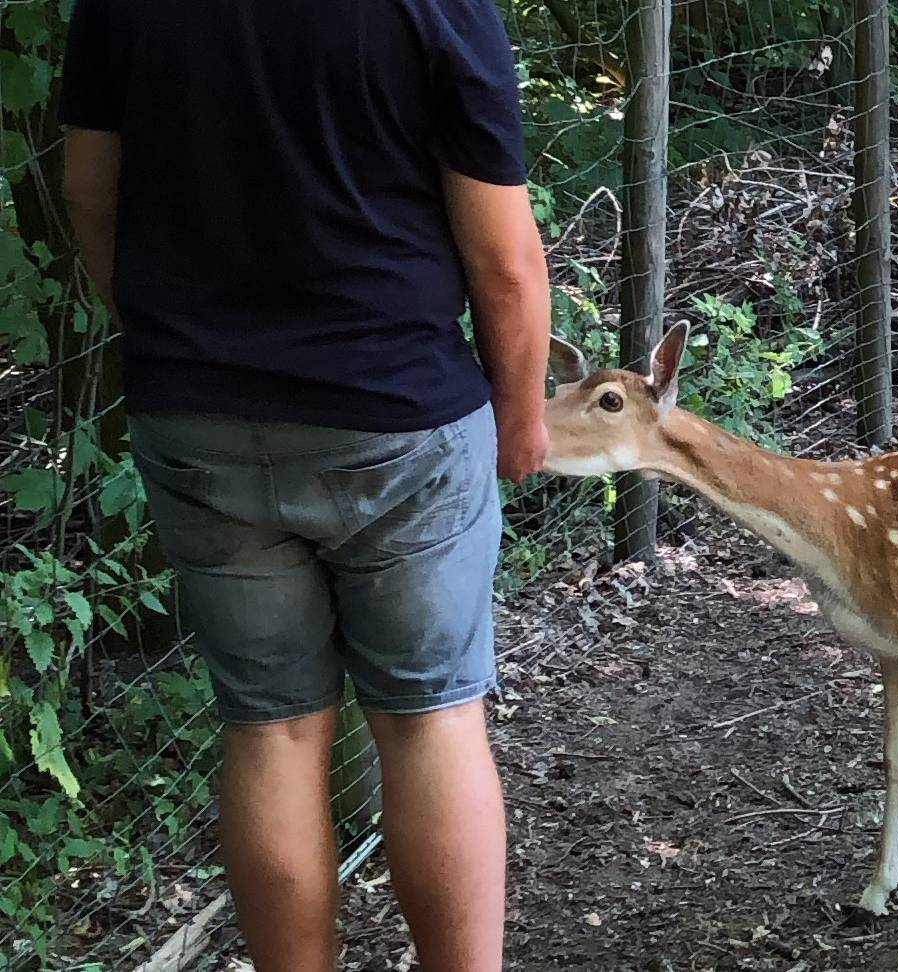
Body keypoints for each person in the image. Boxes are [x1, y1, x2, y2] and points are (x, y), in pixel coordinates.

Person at [60, 2, 549, 969]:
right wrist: (522, 416)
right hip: (397, 416)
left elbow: (88, 194)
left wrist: (177, 343)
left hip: (196, 417)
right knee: (430, 719)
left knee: (271, 729)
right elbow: (504, 263)